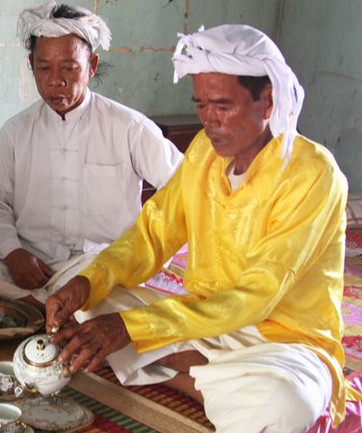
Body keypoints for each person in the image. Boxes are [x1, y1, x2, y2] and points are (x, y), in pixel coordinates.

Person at [45, 24, 360, 432]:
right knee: (80, 288)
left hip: (281, 344)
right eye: (200, 106)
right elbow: (150, 236)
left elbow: (256, 295)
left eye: (223, 106)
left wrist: (132, 328)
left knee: (283, 403)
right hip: (202, 325)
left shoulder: (313, 174)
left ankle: (183, 375)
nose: (210, 122)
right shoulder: (203, 154)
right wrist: (89, 282)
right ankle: (201, 375)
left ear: (267, 101)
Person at [0, 1, 183, 305]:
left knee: (102, 277)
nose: (55, 81)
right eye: (44, 68)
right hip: (31, 261)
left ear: (92, 65)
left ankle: (31, 305)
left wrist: (141, 249)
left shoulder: (130, 127)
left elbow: (182, 188)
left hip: (95, 264)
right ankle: (40, 305)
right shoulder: (16, 132)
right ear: (31, 65)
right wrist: (13, 252)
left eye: (69, 68)